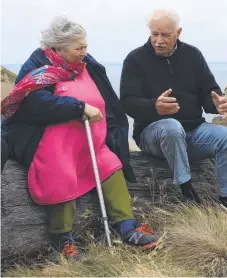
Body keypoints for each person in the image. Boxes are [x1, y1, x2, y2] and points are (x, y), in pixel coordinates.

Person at [1, 16, 160, 259]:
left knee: (111, 166)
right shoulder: (37, 66)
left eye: (85, 45)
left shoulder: (87, 64)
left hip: (90, 142)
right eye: (78, 48)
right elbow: (33, 104)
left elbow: (107, 96)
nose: (84, 52)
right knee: (61, 174)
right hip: (52, 143)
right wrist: (79, 107)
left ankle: (127, 228)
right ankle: (62, 239)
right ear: (58, 48)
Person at [120, 8, 227, 206]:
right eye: (154, 34)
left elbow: (208, 92)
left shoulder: (193, 55)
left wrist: (217, 103)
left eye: (165, 35)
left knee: (225, 137)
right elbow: (127, 102)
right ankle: (185, 188)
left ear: (178, 33)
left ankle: (224, 198)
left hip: (193, 132)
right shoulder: (135, 60)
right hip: (153, 136)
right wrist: (154, 106)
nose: (159, 40)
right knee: (171, 127)